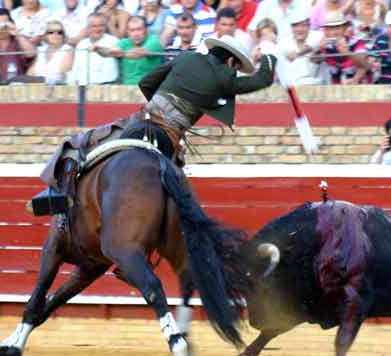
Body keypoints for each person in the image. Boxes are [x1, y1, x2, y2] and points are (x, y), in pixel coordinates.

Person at [31, 34, 276, 217]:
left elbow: (146, 82)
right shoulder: (225, 76)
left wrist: (160, 104)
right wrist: (269, 53)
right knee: (172, 194)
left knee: (85, 142)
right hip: (168, 137)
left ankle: (57, 194)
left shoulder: (186, 57)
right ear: (231, 61)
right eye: (236, 66)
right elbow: (263, 78)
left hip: (140, 121)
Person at [0, 8, 37, 85]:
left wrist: (17, 34)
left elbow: (31, 54)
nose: (3, 26)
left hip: (16, 84)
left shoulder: (19, 40)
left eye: (5, 22)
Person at [98, 15, 164, 84]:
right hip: (127, 89)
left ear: (146, 30)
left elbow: (140, 53)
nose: (136, 34)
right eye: (132, 30)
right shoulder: (124, 42)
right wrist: (98, 49)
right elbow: (109, 53)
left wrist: (121, 53)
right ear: (128, 32)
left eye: (139, 29)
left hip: (149, 88)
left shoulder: (154, 42)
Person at [278, 8, 324, 84]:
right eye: (296, 26)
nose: (300, 29)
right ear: (291, 28)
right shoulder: (283, 42)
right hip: (291, 85)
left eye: (303, 25)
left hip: (315, 84)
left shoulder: (318, 35)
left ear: (309, 26)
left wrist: (297, 53)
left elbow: (314, 45)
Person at [71, 12, 119, 84]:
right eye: (94, 26)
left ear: (105, 27)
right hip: (84, 87)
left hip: (108, 85)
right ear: (87, 27)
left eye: (101, 25)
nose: (97, 29)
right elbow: (75, 69)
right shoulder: (81, 44)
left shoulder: (113, 41)